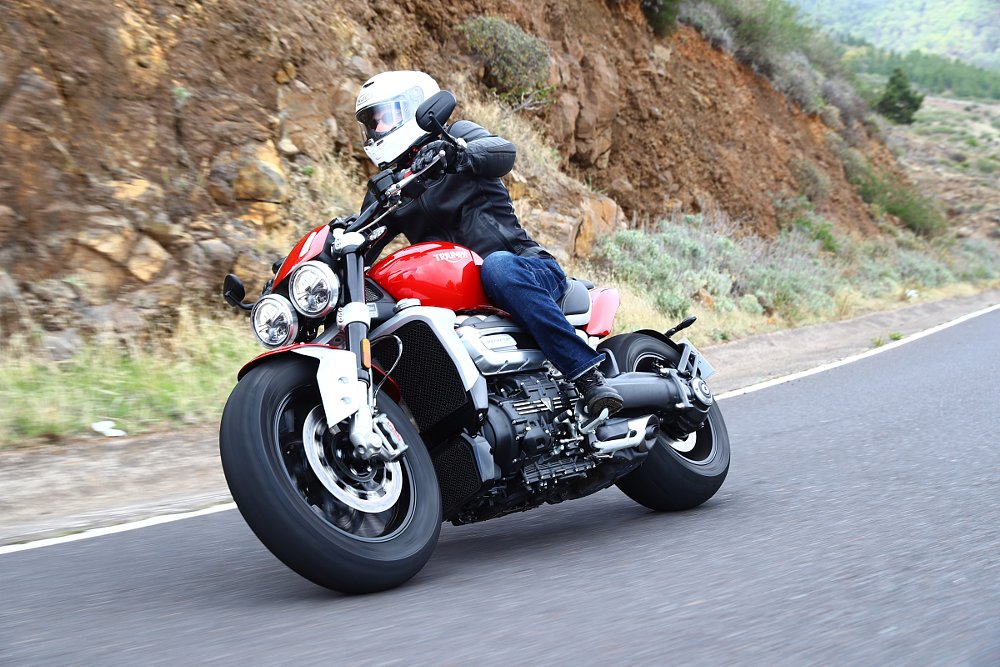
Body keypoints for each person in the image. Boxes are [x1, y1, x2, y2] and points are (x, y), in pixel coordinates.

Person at [354, 70, 622, 417]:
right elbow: (362, 237)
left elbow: (502, 152)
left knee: (497, 266)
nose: (377, 129)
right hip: (461, 296)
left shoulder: (457, 138)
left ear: (416, 107)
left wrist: (457, 154)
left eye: (384, 117)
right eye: (371, 123)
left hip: (525, 266)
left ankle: (588, 376)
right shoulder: (391, 187)